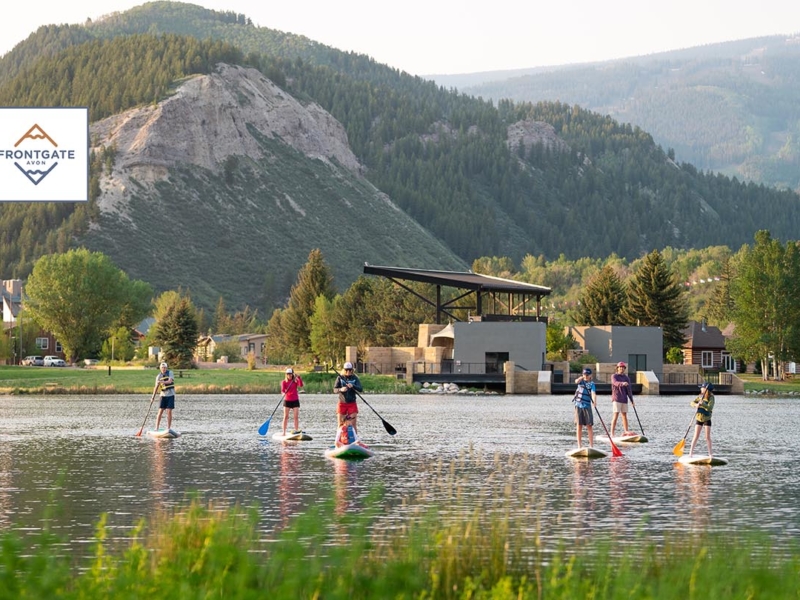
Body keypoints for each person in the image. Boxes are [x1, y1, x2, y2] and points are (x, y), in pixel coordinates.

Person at [334, 362, 363, 433]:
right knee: (340, 424)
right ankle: (339, 440)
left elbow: (360, 389)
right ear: (344, 370)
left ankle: (355, 440)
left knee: (353, 424)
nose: (348, 372)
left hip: (352, 404)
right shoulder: (340, 378)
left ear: (352, 370)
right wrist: (341, 389)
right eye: (346, 370)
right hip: (342, 403)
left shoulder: (355, 378)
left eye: (350, 370)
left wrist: (353, 386)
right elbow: (335, 389)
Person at [689, 382, 715, 457]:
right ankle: (690, 453)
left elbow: (710, 407)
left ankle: (710, 454)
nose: (700, 389)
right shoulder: (700, 396)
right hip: (699, 418)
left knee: (707, 437)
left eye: (702, 387)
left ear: (705, 389)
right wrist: (696, 405)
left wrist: (702, 404)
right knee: (696, 436)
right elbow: (691, 402)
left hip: (707, 418)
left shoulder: (711, 397)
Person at [573, 367, 597, 448]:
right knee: (579, 425)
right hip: (578, 405)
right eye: (584, 374)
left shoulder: (592, 384)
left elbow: (593, 393)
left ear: (590, 376)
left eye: (587, 375)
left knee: (589, 426)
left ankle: (591, 446)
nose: (586, 376)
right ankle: (579, 446)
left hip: (587, 406)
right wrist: (580, 378)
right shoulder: (580, 381)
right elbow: (576, 381)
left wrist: (594, 401)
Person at [610, 361, 635, 436]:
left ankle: (626, 431)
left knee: (624, 415)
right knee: (616, 415)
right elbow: (615, 383)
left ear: (624, 369)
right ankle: (612, 433)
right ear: (617, 368)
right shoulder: (614, 376)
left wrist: (632, 400)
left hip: (624, 399)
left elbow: (629, 390)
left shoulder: (626, 378)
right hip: (617, 398)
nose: (621, 369)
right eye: (620, 367)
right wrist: (622, 383)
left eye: (623, 367)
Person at [281, 367, 304, 436]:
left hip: (295, 400)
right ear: (286, 375)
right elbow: (282, 390)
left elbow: (301, 385)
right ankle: (284, 432)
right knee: (285, 416)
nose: (289, 375)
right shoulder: (284, 382)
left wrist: (299, 377)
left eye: (291, 374)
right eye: (288, 374)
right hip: (287, 400)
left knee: (296, 416)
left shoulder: (295, 381)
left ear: (292, 374)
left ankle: (296, 431)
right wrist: (283, 393)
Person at [154, 361, 175, 431]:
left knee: (169, 411)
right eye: (162, 368)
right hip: (163, 395)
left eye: (165, 367)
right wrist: (153, 397)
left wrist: (161, 382)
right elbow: (156, 387)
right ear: (160, 368)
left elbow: (169, 381)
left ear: (166, 368)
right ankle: (156, 427)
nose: (164, 369)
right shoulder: (158, 376)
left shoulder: (170, 373)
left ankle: (168, 428)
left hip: (171, 395)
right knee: (160, 411)